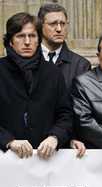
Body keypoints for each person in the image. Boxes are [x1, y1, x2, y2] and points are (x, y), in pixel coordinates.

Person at [0, 12, 73, 159]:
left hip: (45, 161)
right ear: (10, 41)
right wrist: (8, 141)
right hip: (6, 160)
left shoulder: (53, 73)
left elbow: (66, 115)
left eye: (32, 36)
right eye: (20, 36)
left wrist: (55, 137)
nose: (27, 42)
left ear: (39, 39)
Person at [38, 3, 91, 157]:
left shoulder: (81, 65)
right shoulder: (28, 60)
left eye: (63, 24)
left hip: (64, 144)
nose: (59, 29)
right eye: (53, 24)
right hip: (31, 142)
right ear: (41, 26)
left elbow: (80, 109)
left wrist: (72, 137)